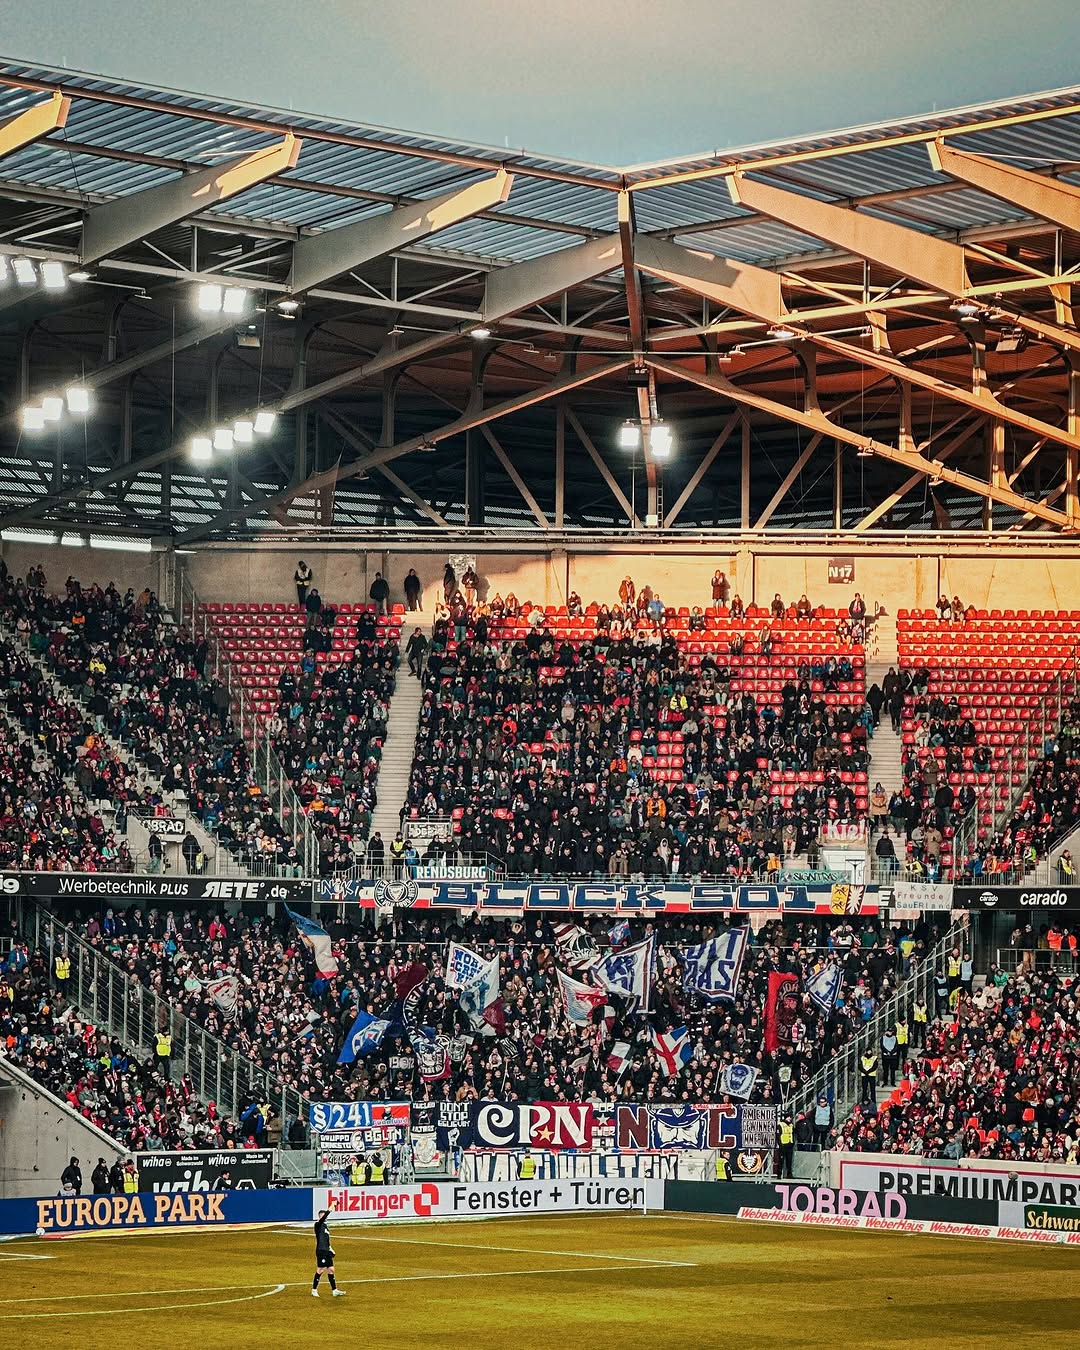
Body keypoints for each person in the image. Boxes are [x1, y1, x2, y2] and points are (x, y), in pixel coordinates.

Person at [312, 1207, 345, 1298]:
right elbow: (323, 1219)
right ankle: (314, 1290)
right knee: (321, 1270)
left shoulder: (326, 1227)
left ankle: (334, 1290)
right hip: (321, 1251)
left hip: (327, 1250)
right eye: (322, 1216)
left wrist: (331, 1249)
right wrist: (330, 1209)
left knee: (331, 1270)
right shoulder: (317, 1225)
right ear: (319, 1217)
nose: (324, 1217)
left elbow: (326, 1240)